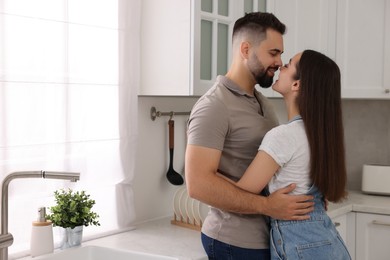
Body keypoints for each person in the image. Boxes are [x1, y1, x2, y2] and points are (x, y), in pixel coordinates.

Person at [185, 12, 314, 259]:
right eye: (273, 53)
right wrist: (267, 206)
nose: (279, 62)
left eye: (281, 54)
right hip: (234, 242)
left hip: (268, 238)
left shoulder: (263, 102)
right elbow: (198, 184)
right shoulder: (214, 106)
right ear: (246, 49)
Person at [220, 50, 351, 259]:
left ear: (296, 85)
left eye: (288, 65)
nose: (281, 67)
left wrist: (207, 174)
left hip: (302, 247)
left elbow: (241, 195)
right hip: (329, 241)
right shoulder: (320, 135)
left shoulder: (284, 136)